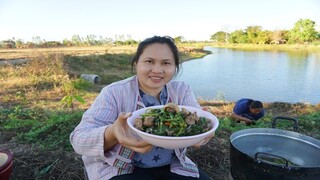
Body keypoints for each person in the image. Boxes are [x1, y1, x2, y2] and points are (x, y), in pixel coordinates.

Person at [70, 36, 212, 180]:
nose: (157, 70)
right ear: (137, 63)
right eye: (149, 61)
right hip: (121, 168)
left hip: (172, 166)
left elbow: (198, 120)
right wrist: (113, 133)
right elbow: (78, 139)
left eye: (166, 63)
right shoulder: (114, 92)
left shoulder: (182, 90)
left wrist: (203, 131)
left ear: (175, 67)